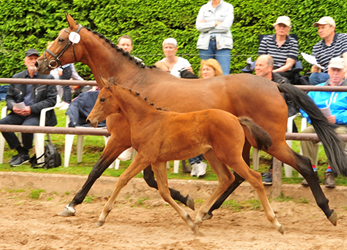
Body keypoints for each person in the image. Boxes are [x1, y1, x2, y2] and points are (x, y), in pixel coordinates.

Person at [0, 48, 57, 167]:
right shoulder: (16, 77)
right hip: (19, 112)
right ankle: (21, 152)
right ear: (25, 61)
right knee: (2, 125)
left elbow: (51, 100)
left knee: (27, 127)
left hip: (37, 114)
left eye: (36, 59)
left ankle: (24, 152)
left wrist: (32, 109)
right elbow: (9, 97)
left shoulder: (47, 78)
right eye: (30, 59)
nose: (33, 61)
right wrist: (13, 107)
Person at [301, 57, 347, 188]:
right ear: (328, 71)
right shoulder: (317, 88)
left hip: (340, 125)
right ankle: (312, 171)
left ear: (345, 72)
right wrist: (314, 117)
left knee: (339, 135)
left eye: (339, 70)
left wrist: (337, 117)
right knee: (305, 134)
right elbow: (304, 107)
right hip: (319, 124)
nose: (336, 73)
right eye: (333, 70)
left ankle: (330, 171)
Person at [254, 55, 299, 185]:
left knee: (274, 133)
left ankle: (273, 170)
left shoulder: (282, 82)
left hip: (279, 119)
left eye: (260, 65)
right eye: (256, 65)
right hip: (258, 120)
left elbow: (292, 104)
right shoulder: (250, 83)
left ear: (270, 68)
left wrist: (279, 117)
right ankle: (243, 170)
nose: (257, 68)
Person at [189, 59, 223, 177]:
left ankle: (197, 162)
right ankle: (196, 162)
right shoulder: (197, 85)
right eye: (203, 69)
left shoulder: (220, 86)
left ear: (215, 71)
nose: (204, 72)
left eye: (207, 69)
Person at [196, 0, 234, 75]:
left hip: (223, 44)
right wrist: (215, 23)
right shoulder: (204, 8)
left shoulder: (228, 7)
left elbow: (225, 27)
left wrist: (207, 26)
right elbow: (199, 27)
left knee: (224, 74)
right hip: (205, 45)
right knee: (206, 74)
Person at [258, 16, 298, 83]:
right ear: (275, 27)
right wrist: (267, 71)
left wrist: (272, 72)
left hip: (284, 72)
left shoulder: (293, 42)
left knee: (279, 79)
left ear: (288, 28)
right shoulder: (266, 40)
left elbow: (289, 66)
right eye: (279, 26)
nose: (282, 28)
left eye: (284, 26)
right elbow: (261, 60)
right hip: (267, 69)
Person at [309, 16, 347, 85]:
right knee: (314, 77)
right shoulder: (317, 47)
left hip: (342, 73)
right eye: (319, 28)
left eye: (323, 27)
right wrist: (315, 69)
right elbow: (315, 70)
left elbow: (346, 57)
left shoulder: (343, 38)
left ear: (332, 28)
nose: (320, 30)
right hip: (328, 76)